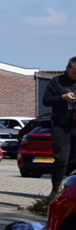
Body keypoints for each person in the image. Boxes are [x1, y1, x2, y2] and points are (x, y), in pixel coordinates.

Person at [42, 56, 76, 195]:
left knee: (74, 161)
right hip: (62, 126)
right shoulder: (57, 82)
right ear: (67, 68)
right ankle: (55, 189)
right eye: (74, 72)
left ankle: (69, 189)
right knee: (61, 158)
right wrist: (62, 98)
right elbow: (46, 100)